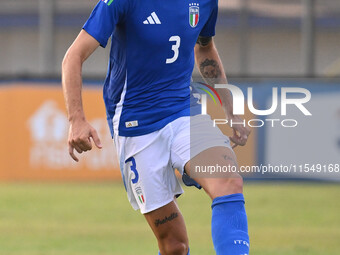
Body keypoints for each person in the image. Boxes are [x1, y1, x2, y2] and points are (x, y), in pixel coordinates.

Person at [62, 0, 251, 254]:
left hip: (185, 111)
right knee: (174, 245)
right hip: (135, 124)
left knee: (228, 181)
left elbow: (204, 48)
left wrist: (230, 109)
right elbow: (73, 56)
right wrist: (76, 119)